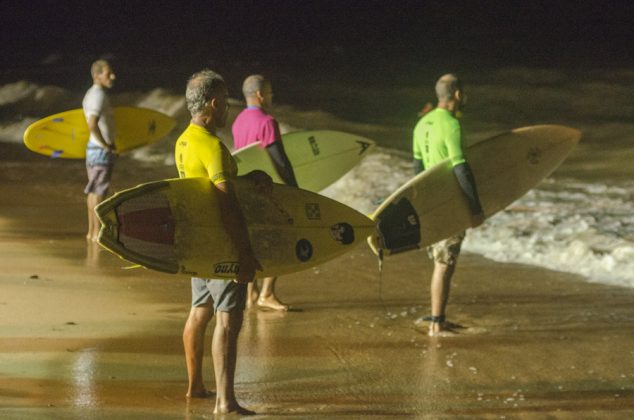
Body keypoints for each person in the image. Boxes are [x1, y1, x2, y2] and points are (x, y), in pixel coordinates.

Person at [176, 69, 272, 415]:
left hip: (198, 242)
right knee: (229, 320)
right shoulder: (213, 146)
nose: (228, 108)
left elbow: (207, 186)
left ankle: (195, 386)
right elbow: (227, 205)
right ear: (214, 104)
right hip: (221, 246)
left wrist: (248, 179)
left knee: (199, 311)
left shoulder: (184, 140)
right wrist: (244, 253)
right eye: (225, 101)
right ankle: (225, 401)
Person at [412, 74, 485, 337]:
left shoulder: (421, 125)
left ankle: (436, 316)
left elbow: (417, 170)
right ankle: (437, 322)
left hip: (431, 204)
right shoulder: (452, 125)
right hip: (451, 205)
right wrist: (475, 208)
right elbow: (461, 168)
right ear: (457, 95)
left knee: (440, 262)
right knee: (444, 265)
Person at [231, 75, 298, 311]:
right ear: (260, 94)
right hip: (266, 189)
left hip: (245, 188)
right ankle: (267, 293)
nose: (270, 97)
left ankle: (251, 294)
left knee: (253, 240)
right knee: (280, 239)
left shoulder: (238, 121)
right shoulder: (267, 121)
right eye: (269, 93)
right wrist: (294, 188)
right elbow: (280, 161)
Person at [83, 59, 116, 241]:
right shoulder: (98, 96)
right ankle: (96, 234)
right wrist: (105, 144)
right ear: (97, 76)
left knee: (93, 191)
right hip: (99, 150)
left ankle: (92, 232)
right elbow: (92, 124)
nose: (113, 76)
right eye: (108, 73)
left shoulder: (90, 94)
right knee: (99, 192)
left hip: (94, 149)